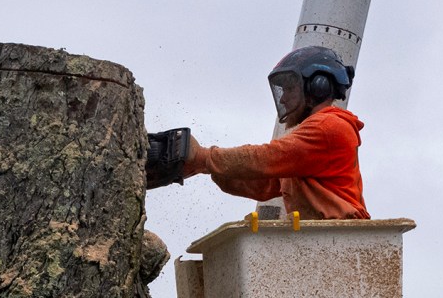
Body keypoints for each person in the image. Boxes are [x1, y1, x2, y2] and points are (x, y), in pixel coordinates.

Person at [151, 45, 368, 219]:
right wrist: (207, 168)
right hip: (328, 238)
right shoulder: (311, 146)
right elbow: (265, 185)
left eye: (289, 88)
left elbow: (267, 158)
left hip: (342, 238)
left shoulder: (329, 127)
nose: (283, 98)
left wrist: (206, 157)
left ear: (318, 85)